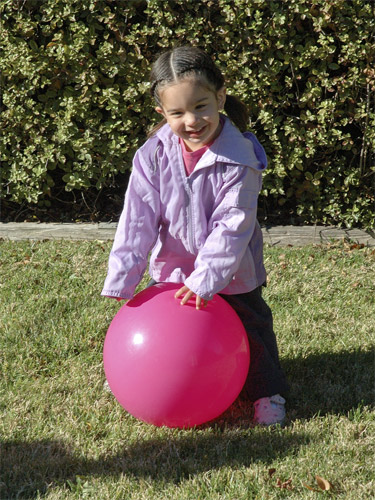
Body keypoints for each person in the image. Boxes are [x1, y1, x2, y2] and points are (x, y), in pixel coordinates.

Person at [101, 45, 289, 426]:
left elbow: (233, 225)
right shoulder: (152, 155)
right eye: (177, 113)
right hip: (172, 273)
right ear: (161, 113)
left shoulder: (239, 157)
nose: (192, 120)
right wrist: (124, 275)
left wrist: (206, 281)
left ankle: (268, 393)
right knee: (167, 338)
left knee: (251, 333)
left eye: (201, 106)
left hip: (232, 275)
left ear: (220, 96)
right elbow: (137, 219)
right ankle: (148, 378)